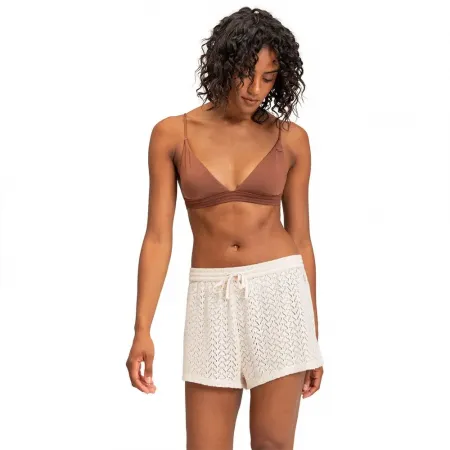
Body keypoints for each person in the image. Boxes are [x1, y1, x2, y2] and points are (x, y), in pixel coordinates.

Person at [126, 6, 324, 449]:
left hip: (280, 296)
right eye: (245, 74)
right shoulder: (171, 134)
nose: (256, 89)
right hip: (210, 299)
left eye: (268, 78)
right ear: (222, 64)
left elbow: (302, 240)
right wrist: (142, 328)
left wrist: (312, 334)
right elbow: (158, 237)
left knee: (273, 444)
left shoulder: (291, 139)